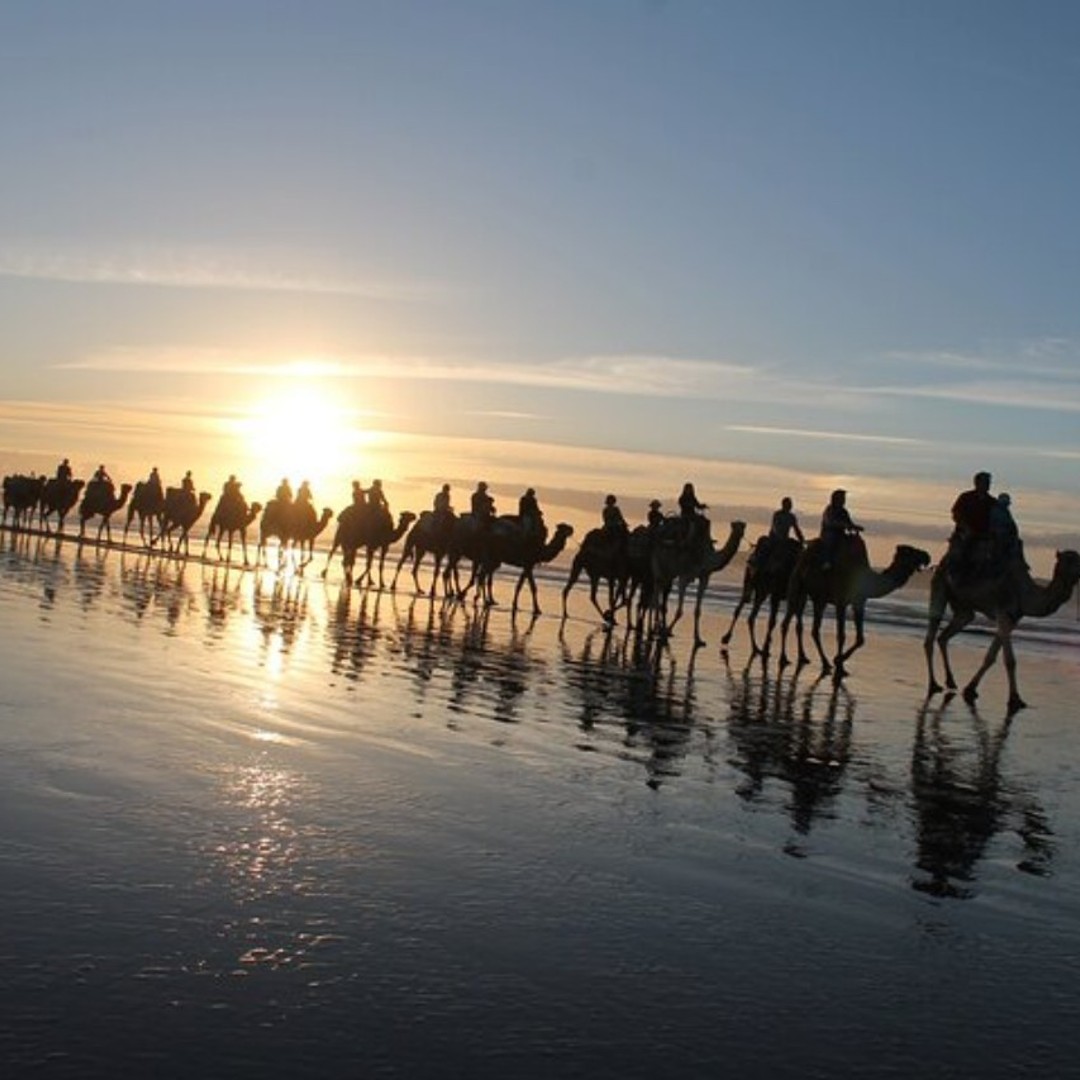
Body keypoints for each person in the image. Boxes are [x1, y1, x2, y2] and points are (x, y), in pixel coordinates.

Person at [949, 471, 995, 577]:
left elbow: (997, 520)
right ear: (977, 483)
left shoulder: (992, 502)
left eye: (988, 482)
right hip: (965, 534)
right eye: (985, 482)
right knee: (957, 556)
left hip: (985, 537)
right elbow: (956, 514)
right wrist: (966, 528)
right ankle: (953, 576)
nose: (988, 485)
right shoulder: (965, 497)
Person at [819, 489, 863, 570]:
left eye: (843, 499)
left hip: (841, 534)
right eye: (841, 498)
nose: (843, 501)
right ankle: (827, 561)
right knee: (831, 541)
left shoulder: (844, 512)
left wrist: (855, 527)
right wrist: (843, 525)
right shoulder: (829, 510)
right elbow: (829, 522)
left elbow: (849, 522)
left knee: (856, 541)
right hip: (829, 534)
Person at [989, 492, 1023, 566]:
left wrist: (1013, 531)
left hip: (1006, 533)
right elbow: (993, 523)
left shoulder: (1006, 512)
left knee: (1017, 543)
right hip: (997, 533)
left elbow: (1011, 523)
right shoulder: (995, 511)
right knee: (1001, 542)